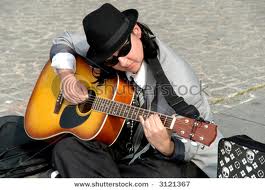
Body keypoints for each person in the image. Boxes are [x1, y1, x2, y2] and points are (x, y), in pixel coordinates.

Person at [49, 3, 223, 178]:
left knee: (163, 174)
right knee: (65, 148)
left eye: (125, 49)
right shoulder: (106, 48)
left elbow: (199, 143)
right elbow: (64, 40)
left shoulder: (180, 83)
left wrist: (168, 147)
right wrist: (66, 76)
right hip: (125, 137)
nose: (123, 62)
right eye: (111, 60)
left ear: (137, 31)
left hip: (173, 155)